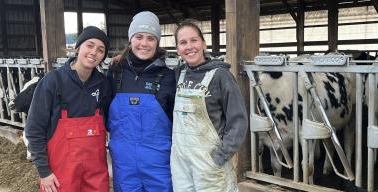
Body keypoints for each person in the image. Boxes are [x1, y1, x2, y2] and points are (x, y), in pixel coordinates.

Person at [25, 26, 111, 192]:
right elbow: (34, 129)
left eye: (101, 50)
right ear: (78, 47)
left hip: (95, 174)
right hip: (60, 175)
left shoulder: (103, 84)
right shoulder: (53, 81)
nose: (94, 52)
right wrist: (44, 172)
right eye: (90, 45)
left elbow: (111, 121)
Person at [171, 20, 248, 192]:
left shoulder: (221, 76)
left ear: (203, 43)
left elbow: (238, 121)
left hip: (210, 164)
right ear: (177, 49)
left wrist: (220, 157)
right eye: (183, 43)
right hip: (181, 164)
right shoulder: (178, 75)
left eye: (194, 40)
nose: (189, 46)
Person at [107, 11, 176, 192]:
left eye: (151, 38)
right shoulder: (114, 73)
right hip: (124, 166)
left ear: (157, 42)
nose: (144, 43)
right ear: (131, 39)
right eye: (139, 37)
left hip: (159, 166)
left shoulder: (168, 77)